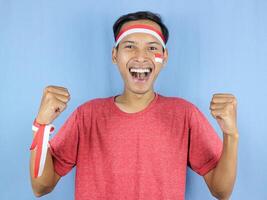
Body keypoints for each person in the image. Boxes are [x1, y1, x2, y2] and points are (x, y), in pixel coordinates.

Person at [30, 11, 238, 200]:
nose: (140, 56)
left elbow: (222, 191)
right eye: (130, 46)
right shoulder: (86, 115)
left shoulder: (185, 115)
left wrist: (231, 135)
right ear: (115, 55)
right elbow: (41, 186)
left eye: (152, 48)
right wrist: (41, 126)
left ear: (164, 58)